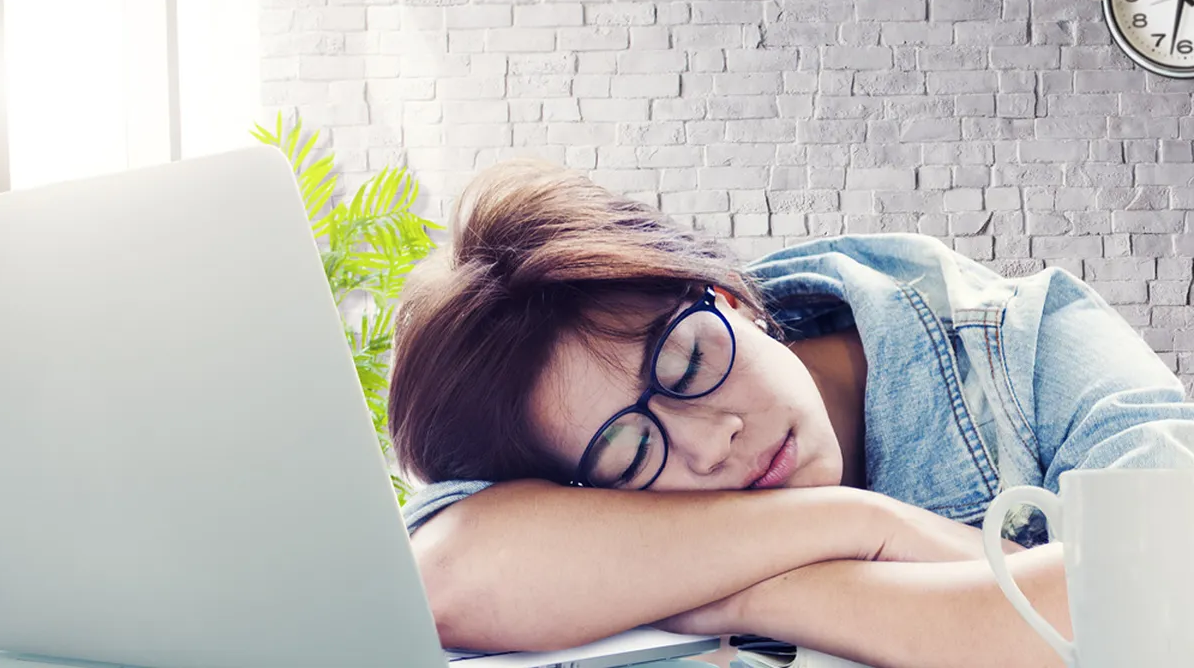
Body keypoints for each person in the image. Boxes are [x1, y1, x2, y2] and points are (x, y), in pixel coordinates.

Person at [387, 159, 1194, 668]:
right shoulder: (573, 490)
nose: (710, 444)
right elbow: (448, 577)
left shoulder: (1030, 342)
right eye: (632, 453)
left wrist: (741, 595)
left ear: (731, 295)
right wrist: (853, 524)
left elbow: (1160, 613)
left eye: (691, 361)